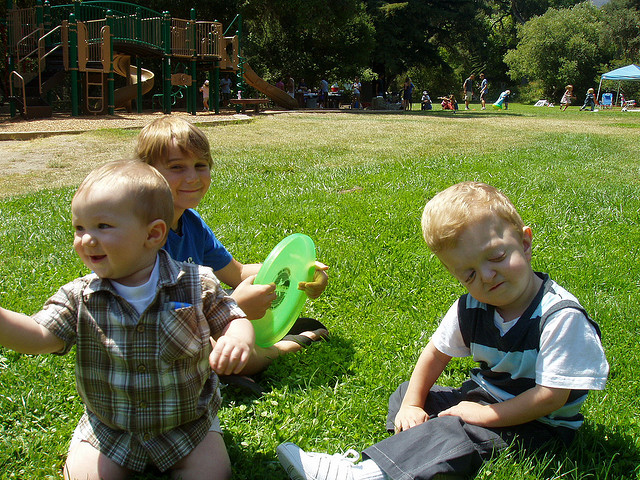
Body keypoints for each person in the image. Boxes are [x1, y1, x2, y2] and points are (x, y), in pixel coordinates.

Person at [276, 181, 609, 480]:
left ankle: (372, 473)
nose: (487, 276)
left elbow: (551, 397)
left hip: (539, 425)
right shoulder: (471, 308)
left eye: (496, 256)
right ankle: (425, 454)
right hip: (485, 396)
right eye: (469, 275)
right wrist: (412, 405)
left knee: (456, 429)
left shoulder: (559, 317)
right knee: (409, 393)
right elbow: (435, 354)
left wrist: (485, 415)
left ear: (524, 242)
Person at [0, 160, 255, 479]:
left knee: (211, 474)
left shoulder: (196, 283)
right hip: (110, 430)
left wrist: (237, 337)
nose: (86, 239)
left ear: (153, 233)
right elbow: (39, 336)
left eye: (103, 226)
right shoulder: (79, 296)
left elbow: (232, 317)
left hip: (188, 425)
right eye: (80, 228)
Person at [135, 116, 329, 378]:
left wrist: (300, 270)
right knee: (226, 354)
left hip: (196, 316)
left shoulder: (190, 222)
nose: (192, 177)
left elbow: (236, 273)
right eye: (177, 167)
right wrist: (234, 307)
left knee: (244, 308)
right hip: (155, 333)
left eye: (200, 165)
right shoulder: (141, 234)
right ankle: (287, 346)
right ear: (147, 172)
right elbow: (147, 317)